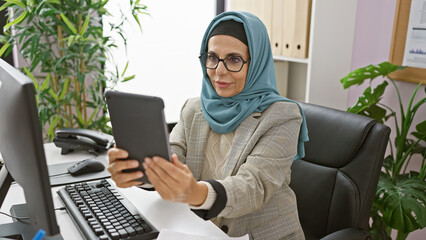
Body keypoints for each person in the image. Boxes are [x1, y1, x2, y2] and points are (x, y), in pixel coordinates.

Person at [108, 11, 308, 240]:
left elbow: (254, 186)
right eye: (212, 57)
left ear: (256, 63)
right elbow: (172, 158)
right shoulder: (194, 108)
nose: (219, 71)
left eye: (234, 59)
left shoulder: (283, 115)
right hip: (201, 230)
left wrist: (195, 192)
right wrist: (139, 171)